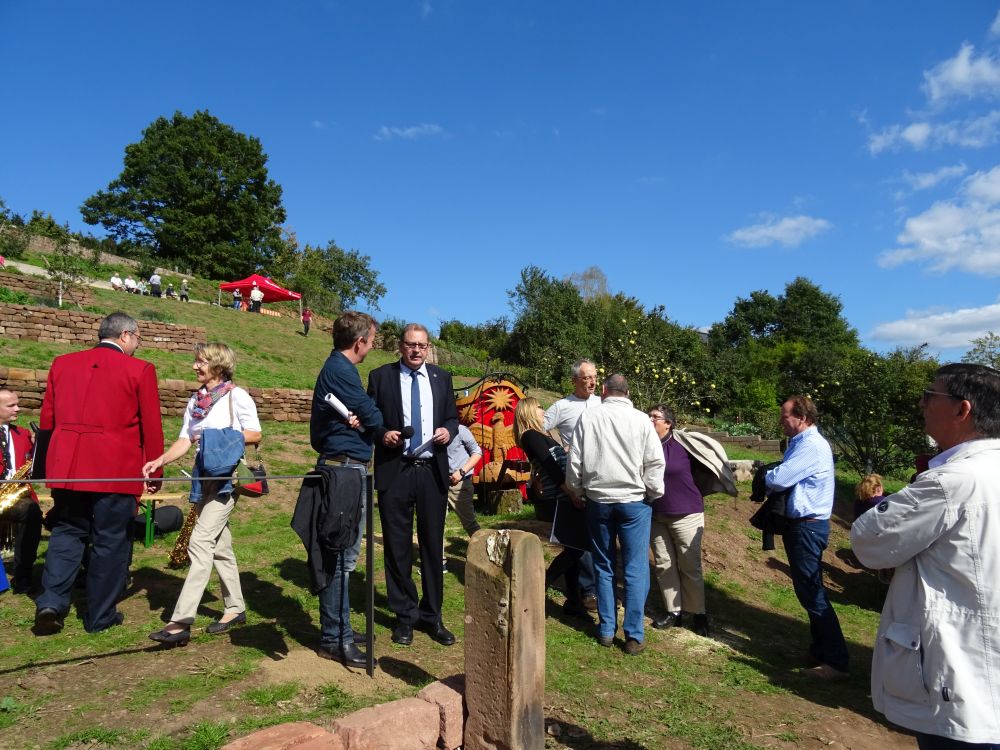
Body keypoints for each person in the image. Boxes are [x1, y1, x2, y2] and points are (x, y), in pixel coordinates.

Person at [852, 364, 1000, 749]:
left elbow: (868, 541)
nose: (921, 404)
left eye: (930, 396)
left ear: (962, 409)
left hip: (962, 682)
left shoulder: (951, 483)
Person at [34, 312, 164, 635]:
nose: (137, 345)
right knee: (110, 540)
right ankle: (99, 616)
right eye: (137, 338)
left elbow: (47, 420)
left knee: (66, 533)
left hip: (68, 468)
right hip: (115, 468)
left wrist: (43, 467)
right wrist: (155, 470)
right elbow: (151, 425)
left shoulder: (62, 364)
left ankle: (50, 602)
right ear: (125, 335)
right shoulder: (140, 369)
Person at [144, 343, 262, 646]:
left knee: (199, 542)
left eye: (202, 362)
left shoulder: (237, 396)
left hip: (226, 479)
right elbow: (186, 438)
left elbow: (255, 433)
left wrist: (216, 438)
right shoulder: (196, 401)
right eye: (196, 361)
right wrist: (160, 460)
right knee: (220, 544)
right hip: (202, 477)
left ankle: (180, 621)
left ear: (218, 366)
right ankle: (235, 608)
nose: (195, 366)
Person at [367, 323, 459, 647]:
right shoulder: (381, 377)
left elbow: (452, 418)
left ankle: (432, 616)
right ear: (401, 346)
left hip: (432, 472)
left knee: (432, 545)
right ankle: (405, 616)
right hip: (397, 470)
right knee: (397, 547)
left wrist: (449, 431)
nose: (416, 350)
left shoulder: (442, 378)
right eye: (410, 344)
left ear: (428, 347)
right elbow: (371, 420)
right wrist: (383, 435)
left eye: (421, 345)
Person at [566, 374, 664, 655]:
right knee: (635, 567)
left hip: (598, 500)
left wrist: (577, 490)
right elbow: (655, 461)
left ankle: (607, 629)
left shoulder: (589, 417)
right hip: (634, 501)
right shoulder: (642, 420)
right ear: (628, 393)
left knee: (603, 564)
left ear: (604, 390)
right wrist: (652, 492)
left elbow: (575, 460)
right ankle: (634, 635)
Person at [307, 311, 383, 666]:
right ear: (360, 342)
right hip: (341, 471)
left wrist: (362, 420)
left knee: (346, 557)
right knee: (337, 558)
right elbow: (374, 416)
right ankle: (334, 639)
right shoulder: (340, 370)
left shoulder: (341, 369)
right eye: (372, 340)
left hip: (350, 469)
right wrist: (366, 419)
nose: (372, 346)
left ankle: (341, 629)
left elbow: (366, 416)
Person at [765, 395, 849, 680]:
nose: (781, 421)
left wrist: (766, 475)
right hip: (803, 526)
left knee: (812, 593)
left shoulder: (811, 445)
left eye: (785, 416)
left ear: (801, 417)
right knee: (807, 590)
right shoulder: (801, 443)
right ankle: (820, 650)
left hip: (807, 527)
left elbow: (779, 479)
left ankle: (836, 661)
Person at [646, 404, 737, 637]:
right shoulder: (643, 444)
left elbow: (706, 466)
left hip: (687, 513)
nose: (650, 419)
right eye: (648, 416)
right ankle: (673, 612)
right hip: (656, 514)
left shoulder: (683, 445)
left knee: (690, 565)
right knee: (663, 563)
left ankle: (698, 613)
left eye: (655, 417)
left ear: (668, 423)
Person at [513, 397, 589, 617]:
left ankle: (574, 602)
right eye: (539, 407)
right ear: (528, 411)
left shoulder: (542, 435)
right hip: (559, 496)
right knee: (575, 549)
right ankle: (539, 588)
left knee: (573, 547)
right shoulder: (530, 435)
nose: (543, 410)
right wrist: (569, 491)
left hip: (563, 494)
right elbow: (550, 464)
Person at [543, 358, 602, 609]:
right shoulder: (562, 406)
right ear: (574, 380)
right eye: (587, 377)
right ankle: (587, 591)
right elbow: (537, 429)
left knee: (591, 534)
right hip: (575, 477)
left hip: (600, 476)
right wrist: (558, 448)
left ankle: (576, 596)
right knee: (579, 536)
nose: (592, 382)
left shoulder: (602, 403)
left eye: (595, 377)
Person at [0, 388, 43, 594]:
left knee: (32, 512)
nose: (18, 409)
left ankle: (23, 574)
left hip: (16, 496)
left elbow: (36, 468)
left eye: (17, 404)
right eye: (11, 405)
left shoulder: (23, 434)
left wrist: (38, 448)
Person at [444, 422, 483, 565]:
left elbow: (477, 452)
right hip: (437, 483)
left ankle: (484, 557)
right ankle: (439, 563)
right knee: (436, 525)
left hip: (459, 483)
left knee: (470, 523)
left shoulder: (460, 430)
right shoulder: (430, 430)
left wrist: (461, 472)